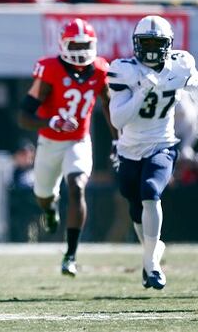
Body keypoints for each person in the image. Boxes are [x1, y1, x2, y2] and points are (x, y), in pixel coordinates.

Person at [18, 18, 117, 276]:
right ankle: (50, 210)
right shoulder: (50, 69)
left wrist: (118, 140)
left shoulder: (99, 70)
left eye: (85, 44)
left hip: (78, 141)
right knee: (43, 196)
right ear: (63, 44)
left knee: (77, 187)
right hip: (49, 142)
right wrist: (52, 120)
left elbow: (109, 108)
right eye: (75, 44)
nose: (81, 50)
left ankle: (70, 255)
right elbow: (24, 116)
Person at [108, 15, 198, 289]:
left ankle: (151, 265)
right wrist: (140, 94)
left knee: (150, 191)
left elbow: (194, 90)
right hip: (129, 149)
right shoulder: (124, 70)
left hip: (162, 143)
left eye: (155, 42)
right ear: (135, 43)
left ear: (168, 44)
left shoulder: (180, 65)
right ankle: (152, 252)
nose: (150, 48)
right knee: (135, 204)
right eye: (145, 42)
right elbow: (117, 120)